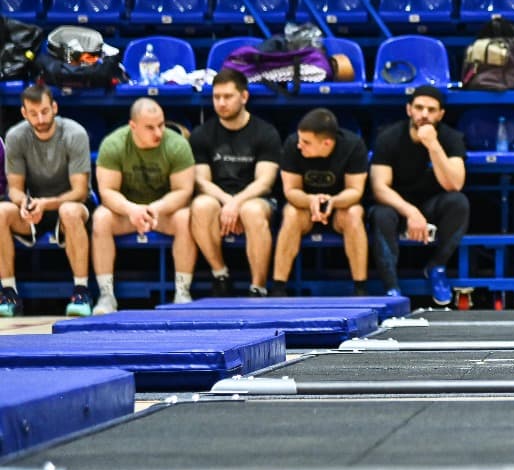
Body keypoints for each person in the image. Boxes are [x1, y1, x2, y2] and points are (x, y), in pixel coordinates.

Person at [91, 97, 197, 314]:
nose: (158, 132)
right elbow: (107, 192)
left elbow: (184, 191)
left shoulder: (177, 145)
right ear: (133, 126)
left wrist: (154, 208)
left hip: (162, 212)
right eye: (150, 127)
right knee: (101, 218)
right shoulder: (114, 144)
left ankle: (182, 292)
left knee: (185, 217)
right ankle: (106, 295)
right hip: (126, 213)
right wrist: (132, 209)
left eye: (161, 125)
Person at [368, 85, 469, 306]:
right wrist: (411, 211)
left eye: (431, 110)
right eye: (419, 108)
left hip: (433, 204)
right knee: (381, 214)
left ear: (441, 114)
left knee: (459, 203)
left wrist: (433, 145)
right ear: (408, 110)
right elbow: (379, 188)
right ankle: (391, 288)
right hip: (398, 206)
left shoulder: (451, 138)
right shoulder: (389, 137)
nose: (424, 114)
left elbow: (455, 184)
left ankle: (436, 267)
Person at [188, 68, 283, 297]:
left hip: (256, 199)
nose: (221, 103)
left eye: (228, 96)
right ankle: (220, 274)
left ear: (244, 97)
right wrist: (227, 202)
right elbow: (201, 181)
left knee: (251, 211)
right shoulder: (202, 134)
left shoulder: (265, 132)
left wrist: (237, 203)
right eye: (216, 97)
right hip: (219, 198)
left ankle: (258, 287)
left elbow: (265, 182)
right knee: (201, 205)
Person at [0, 85, 94, 316]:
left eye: (44, 111)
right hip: (35, 207)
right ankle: (8, 293)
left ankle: (81, 292)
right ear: (24, 113)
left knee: (70, 211)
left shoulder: (75, 133)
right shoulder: (16, 136)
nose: (40, 118)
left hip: (71, 204)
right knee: (1, 211)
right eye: (33, 113)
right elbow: (14, 188)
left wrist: (45, 204)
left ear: (54, 107)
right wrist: (24, 204)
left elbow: (80, 191)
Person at [270, 108, 369, 296]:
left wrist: (333, 201)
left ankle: (360, 287)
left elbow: (355, 191)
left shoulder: (353, 146)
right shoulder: (292, 145)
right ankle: (278, 287)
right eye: (300, 139)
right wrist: (310, 200)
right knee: (290, 212)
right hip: (304, 208)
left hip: (340, 206)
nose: (300, 145)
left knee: (354, 213)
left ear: (327, 143)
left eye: (306, 142)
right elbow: (291, 191)